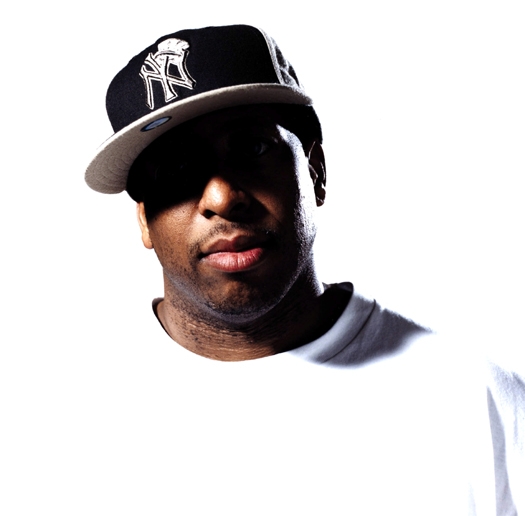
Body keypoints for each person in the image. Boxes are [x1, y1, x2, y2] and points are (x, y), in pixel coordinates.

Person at [86, 24, 524, 515]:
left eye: (252, 149)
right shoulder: (72, 418)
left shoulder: (474, 399)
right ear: (144, 219)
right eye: (177, 170)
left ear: (315, 172)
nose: (222, 197)